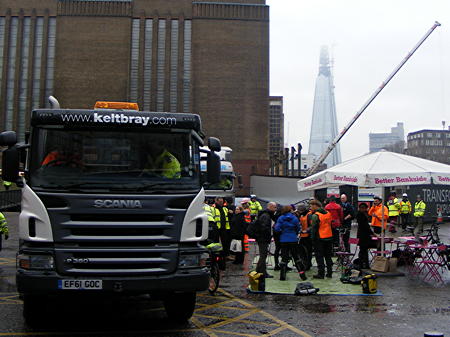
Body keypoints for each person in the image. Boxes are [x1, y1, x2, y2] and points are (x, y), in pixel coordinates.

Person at [274, 205, 307, 281]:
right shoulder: (294, 218)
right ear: (290, 210)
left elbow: (276, 228)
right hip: (293, 239)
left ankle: (282, 276)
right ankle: (302, 275)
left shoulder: (281, 218)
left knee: (284, 258)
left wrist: (282, 231)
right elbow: (298, 228)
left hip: (283, 239)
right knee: (296, 257)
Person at [310, 199, 334, 279]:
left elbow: (314, 228)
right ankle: (329, 272)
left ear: (315, 206)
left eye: (311, 206)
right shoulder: (328, 213)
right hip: (329, 237)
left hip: (319, 238)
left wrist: (312, 238)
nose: (310, 208)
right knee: (328, 256)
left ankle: (321, 273)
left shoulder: (315, 215)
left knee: (319, 256)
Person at [254, 202, 277, 279]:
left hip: (261, 238)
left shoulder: (265, 215)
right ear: (270, 207)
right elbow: (264, 228)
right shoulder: (266, 216)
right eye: (274, 207)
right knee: (263, 256)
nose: (275, 209)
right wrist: (268, 236)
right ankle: (263, 273)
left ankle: (258, 271)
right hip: (263, 239)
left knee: (263, 255)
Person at [356, 203, 375, 269]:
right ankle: (364, 264)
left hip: (362, 235)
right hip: (363, 236)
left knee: (363, 250)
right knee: (363, 250)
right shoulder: (361, 215)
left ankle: (363, 264)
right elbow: (365, 226)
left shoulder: (360, 214)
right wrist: (372, 233)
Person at [297, 204, 313, 270]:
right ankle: (305, 263)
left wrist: (306, 231)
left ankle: (308, 264)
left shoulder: (309, 215)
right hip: (302, 236)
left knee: (308, 251)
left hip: (308, 236)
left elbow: (312, 226)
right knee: (302, 251)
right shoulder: (301, 215)